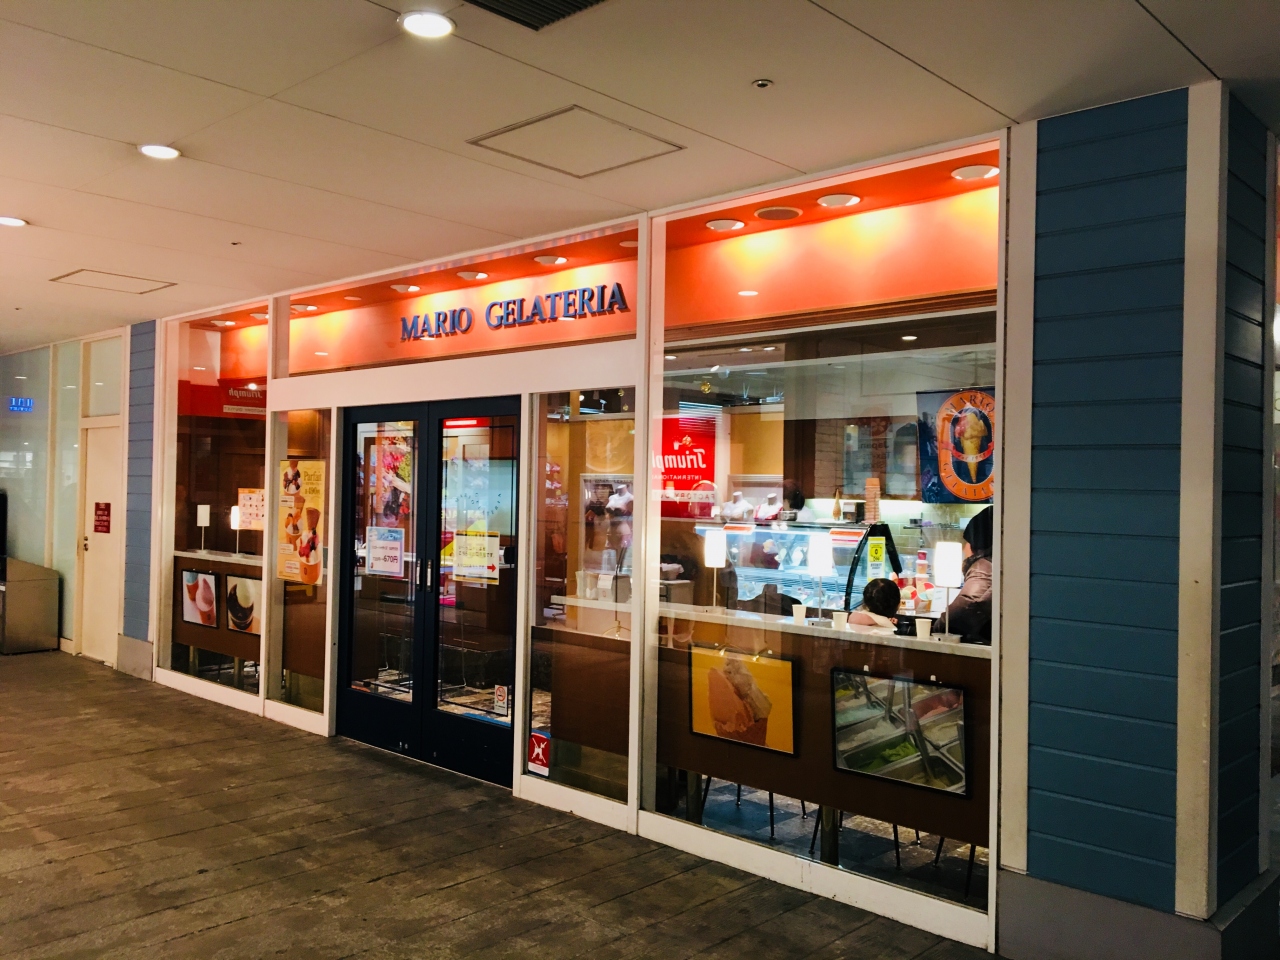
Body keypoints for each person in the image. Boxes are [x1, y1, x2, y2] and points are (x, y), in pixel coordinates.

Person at [947, 506, 993, 644]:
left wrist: (939, 627)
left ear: (975, 544)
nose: (963, 549)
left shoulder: (982, 568)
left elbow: (962, 610)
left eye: (967, 542)